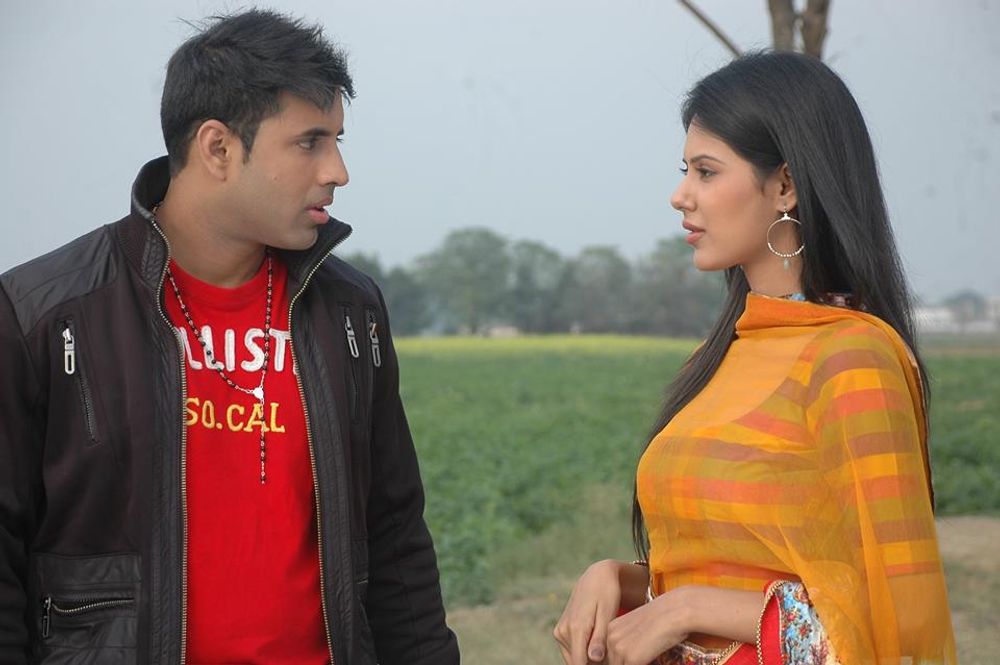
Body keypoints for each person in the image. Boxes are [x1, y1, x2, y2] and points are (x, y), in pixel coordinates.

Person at [0, 10, 459, 665]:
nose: (338, 170)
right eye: (310, 142)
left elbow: (395, 537)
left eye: (337, 139)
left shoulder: (350, 313)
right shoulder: (44, 314)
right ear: (217, 148)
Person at [554, 51, 956, 665]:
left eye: (706, 172)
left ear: (786, 185)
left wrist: (688, 609)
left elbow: (895, 627)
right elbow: (721, 568)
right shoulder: (723, 354)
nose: (680, 196)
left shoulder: (852, 359)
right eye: (686, 171)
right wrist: (617, 579)